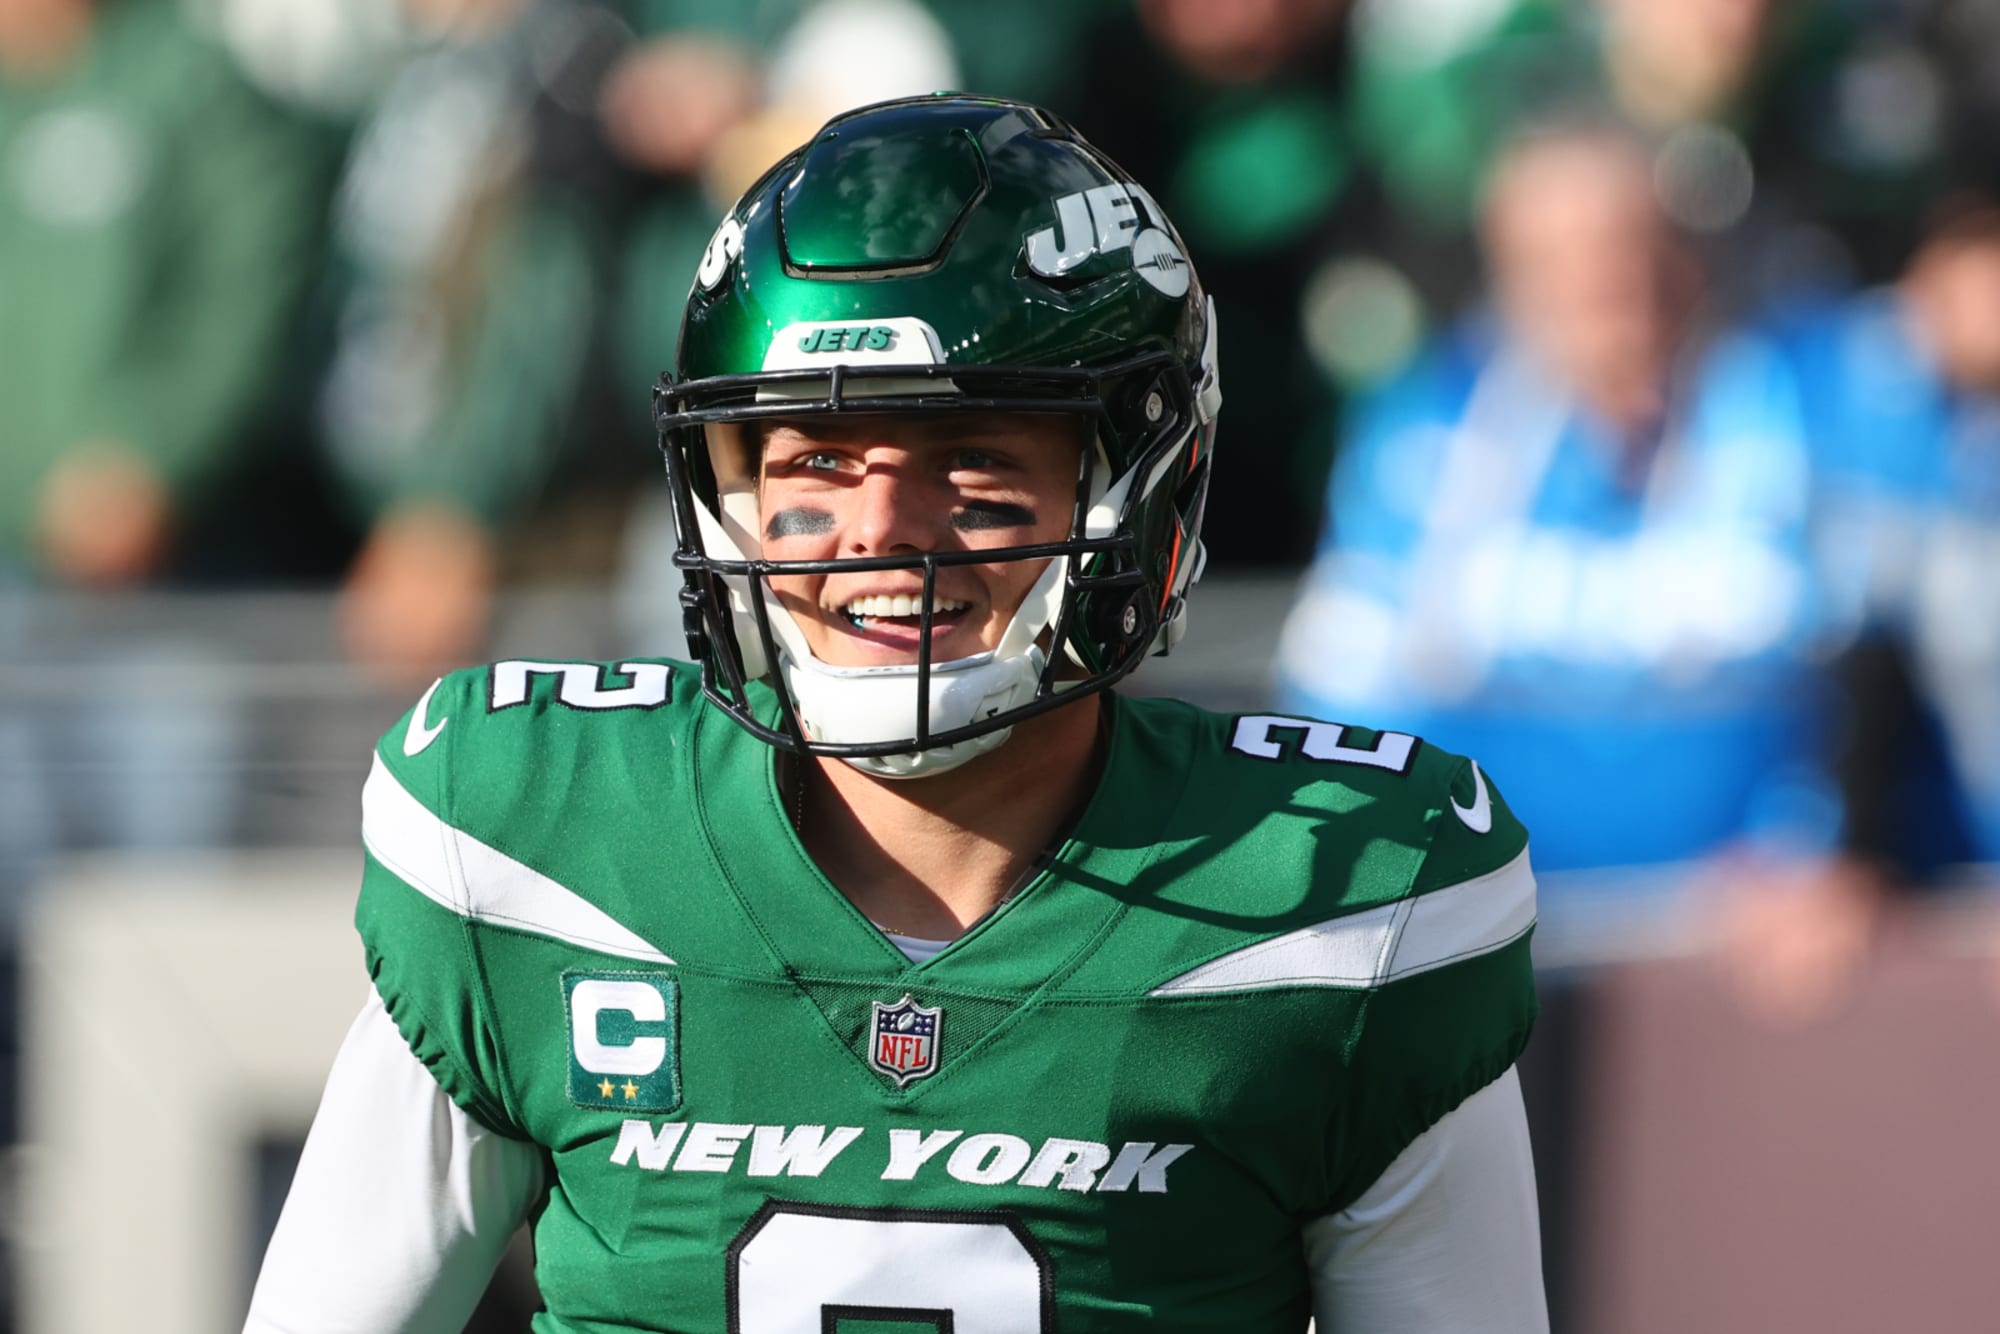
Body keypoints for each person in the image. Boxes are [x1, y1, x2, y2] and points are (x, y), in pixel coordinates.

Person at [245, 94, 1546, 1332]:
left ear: (1139, 489)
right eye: (815, 459)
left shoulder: (1343, 902)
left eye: (972, 460)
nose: (878, 531)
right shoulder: (540, 846)